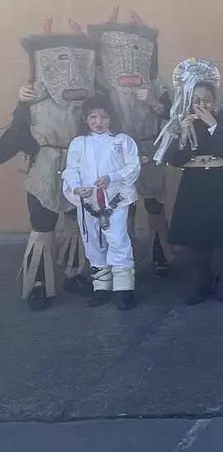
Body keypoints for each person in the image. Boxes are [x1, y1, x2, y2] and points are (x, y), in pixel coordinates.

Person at [1, 25, 97, 310]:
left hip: (80, 168)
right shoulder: (31, 104)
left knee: (77, 222)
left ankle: (75, 272)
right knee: (42, 226)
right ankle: (39, 282)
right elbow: (16, 135)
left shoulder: (91, 100)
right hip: (45, 168)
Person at [88, 11, 174, 278]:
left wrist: (151, 101)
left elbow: (171, 117)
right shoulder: (101, 86)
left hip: (148, 148)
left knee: (153, 204)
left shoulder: (157, 85)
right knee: (121, 206)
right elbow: (91, 114)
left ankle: (160, 251)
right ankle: (125, 257)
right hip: (116, 150)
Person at [159, 65, 223, 305]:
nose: (201, 104)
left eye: (206, 100)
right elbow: (174, 159)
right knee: (196, 241)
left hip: (219, 182)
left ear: (214, 102)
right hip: (194, 184)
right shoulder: (181, 124)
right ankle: (199, 284)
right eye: (196, 100)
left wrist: (212, 125)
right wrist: (184, 135)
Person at [62, 96, 141, 309]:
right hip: (88, 202)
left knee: (117, 239)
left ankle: (123, 288)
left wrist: (112, 177)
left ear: (112, 118)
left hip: (115, 200)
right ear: (85, 119)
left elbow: (133, 167)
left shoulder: (122, 140)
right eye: (93, 117)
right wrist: (77, 186)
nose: (99, 122)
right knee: (93, 242)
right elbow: (71, 169)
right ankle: (101, 286)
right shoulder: (79, 143)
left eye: (104, 117)